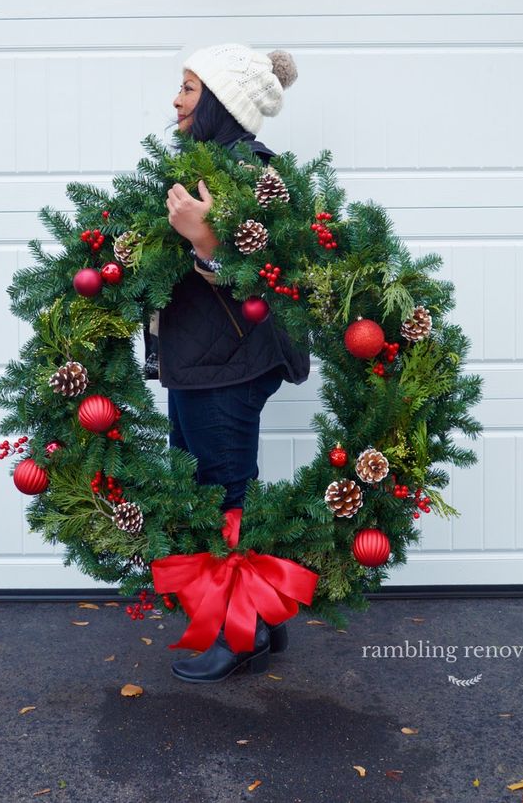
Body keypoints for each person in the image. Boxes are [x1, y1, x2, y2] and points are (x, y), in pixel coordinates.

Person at [148, 43, 311, 683]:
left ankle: (236, 634)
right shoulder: (202, 168)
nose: (176, 100)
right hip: (198, 362)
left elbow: (269, 277)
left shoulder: (250, 173)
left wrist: (205, 238)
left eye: (188, 87)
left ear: (218, 100)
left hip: (230, 366)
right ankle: (264, 621)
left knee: (224, 497)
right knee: (209, 488)